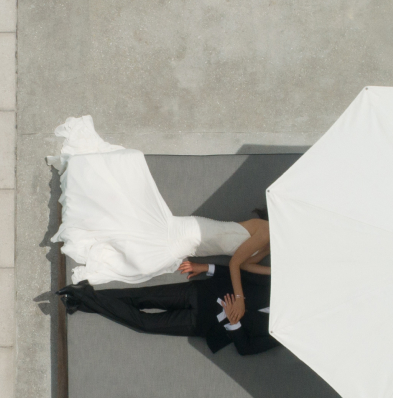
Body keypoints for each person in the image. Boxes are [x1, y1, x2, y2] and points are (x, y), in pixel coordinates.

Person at [48, 116, 270, 312]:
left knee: (141, 253)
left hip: (193, 247)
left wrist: (274, 273)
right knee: (145, 262)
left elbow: (244, 265)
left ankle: (98, 239)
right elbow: (234, 264)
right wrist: (239, 298)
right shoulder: (266, 231)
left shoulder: (267, 245)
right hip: (188, 234)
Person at [57, 264, 279, 356]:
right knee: (141, 297)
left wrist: (234, 323)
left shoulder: (282, 335)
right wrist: (206, 268)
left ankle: (83, 295)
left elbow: (246, 349)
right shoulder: (278, 283)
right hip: (202, 292)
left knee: (146, 324)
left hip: (202, 323)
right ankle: (81, 299)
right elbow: (242, 272)